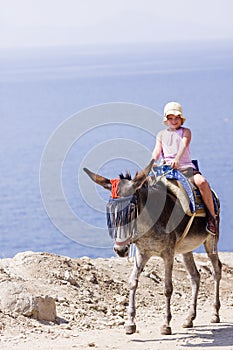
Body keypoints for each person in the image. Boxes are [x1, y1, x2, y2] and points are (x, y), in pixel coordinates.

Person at [152, 101, 217, 234]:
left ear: (181, 119)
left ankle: (212, 218)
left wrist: (176, 159)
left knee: (202, 182)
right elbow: (157, 151)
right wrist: (152, 161)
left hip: (186, 170)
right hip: (167, 171)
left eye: (176, 118)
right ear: (166, 120)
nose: (174, 121)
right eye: (171, 118)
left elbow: (183, 145)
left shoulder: (186, 131)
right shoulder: (161, 135)